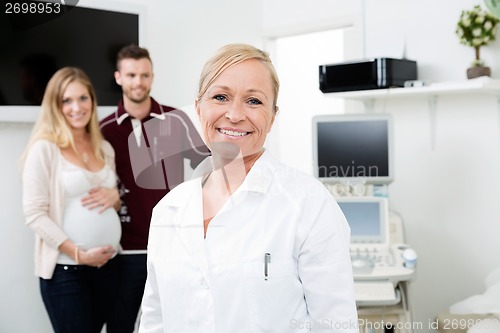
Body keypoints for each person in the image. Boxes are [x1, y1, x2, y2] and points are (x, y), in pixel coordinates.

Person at [138, 43, 359, 332]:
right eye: (220, 96)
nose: (234, 114)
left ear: (272, 117)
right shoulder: (168, 210)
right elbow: (155, 320)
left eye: (253, 101)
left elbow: (336, 324)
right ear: (198, 108)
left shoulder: (308, 203)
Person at [99, 44, 210, 332]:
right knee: (120, 325)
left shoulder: (175, 119)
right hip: (126, 250)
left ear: (152, 77)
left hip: (174, 243)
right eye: (132, 75)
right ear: (118, 77)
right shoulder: (104, 129)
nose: (139, 82)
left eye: (144, 75)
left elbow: (207, 165)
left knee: (175, 323)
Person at [21, 67, 122, 333]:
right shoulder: (45, 149)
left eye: (83, 98)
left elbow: (113, 204)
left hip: (108, 267)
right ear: (55, 105)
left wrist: (115, 197)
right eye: (67, 100)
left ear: (92, 100)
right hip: (67, 272)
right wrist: (78, 254)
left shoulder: (104, 148)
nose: (76, 107)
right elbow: (34, 214)